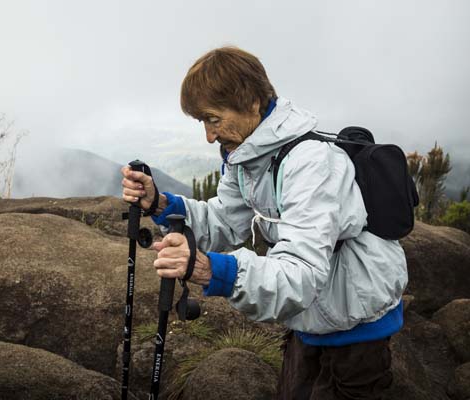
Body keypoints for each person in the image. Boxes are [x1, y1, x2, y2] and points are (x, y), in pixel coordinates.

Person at [120, 46, 407, 400]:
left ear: (252, 103)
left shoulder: (310, 164)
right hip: (309, 321)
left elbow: (300, 274)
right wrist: (160, 204)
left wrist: (210, 270)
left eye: (213, 119)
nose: (209, 136)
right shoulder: (248, 156)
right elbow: (226, 219)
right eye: (202, 123)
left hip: (357, 325)